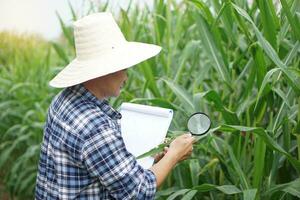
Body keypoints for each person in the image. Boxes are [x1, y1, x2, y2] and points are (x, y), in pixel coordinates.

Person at [35, 12, 195, 200]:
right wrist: (173, 155)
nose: (126, 77)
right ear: (103, 70)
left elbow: (100, 164)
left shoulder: (63, 100)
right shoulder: (94, 127)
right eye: (123, 68)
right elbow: (138, 191)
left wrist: (154, 158)